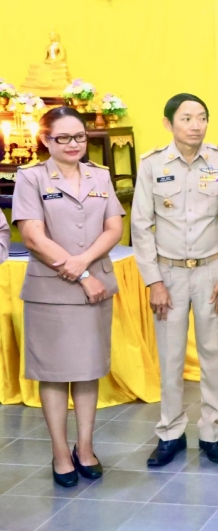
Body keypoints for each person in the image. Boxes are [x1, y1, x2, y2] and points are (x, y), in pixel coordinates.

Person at [12, 106, 124, 487]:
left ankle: (85, 447)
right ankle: (60, 453)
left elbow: (113, 228)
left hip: (94, 289)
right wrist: (80, 272)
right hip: (52, 291)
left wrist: (84, 264)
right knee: (56, 374)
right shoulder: (31, 177)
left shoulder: (100, 175)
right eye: (63, 138)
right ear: (45, 140)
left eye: (79, 137)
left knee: (89, 370)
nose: (73, 144)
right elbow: (32, 236)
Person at [131, 93, 218, 467]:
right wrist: (154, 282)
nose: (196, 125)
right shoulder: (151, 165)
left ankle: (212, 432)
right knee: (170, 356)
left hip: (212, 272)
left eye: (202, 117)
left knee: (214, 354)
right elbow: (141, 227)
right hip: (169, 274)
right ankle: (170, 432)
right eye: (186, 118)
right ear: (169, 124)